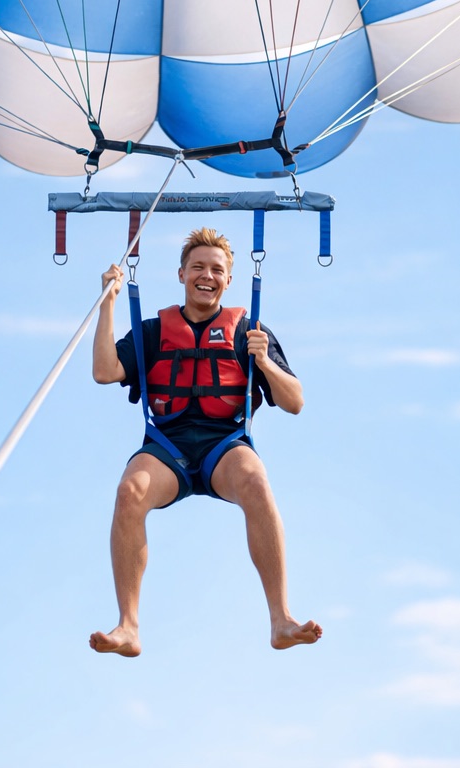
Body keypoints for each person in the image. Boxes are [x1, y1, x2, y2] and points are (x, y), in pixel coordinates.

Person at [88, 226, 322, 657]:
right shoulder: (155, 331)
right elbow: (104, 371)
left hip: (224, 443)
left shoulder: (248, 331)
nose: (206, 275)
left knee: (255, 481)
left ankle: (281, 619)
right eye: (198, 267)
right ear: (181, 274)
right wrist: (108, 303)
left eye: (216, 269)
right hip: (168, 445)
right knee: (129, 491)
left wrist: (263, 361)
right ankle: (128, 627)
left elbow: (295, 402)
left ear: (229, 280)